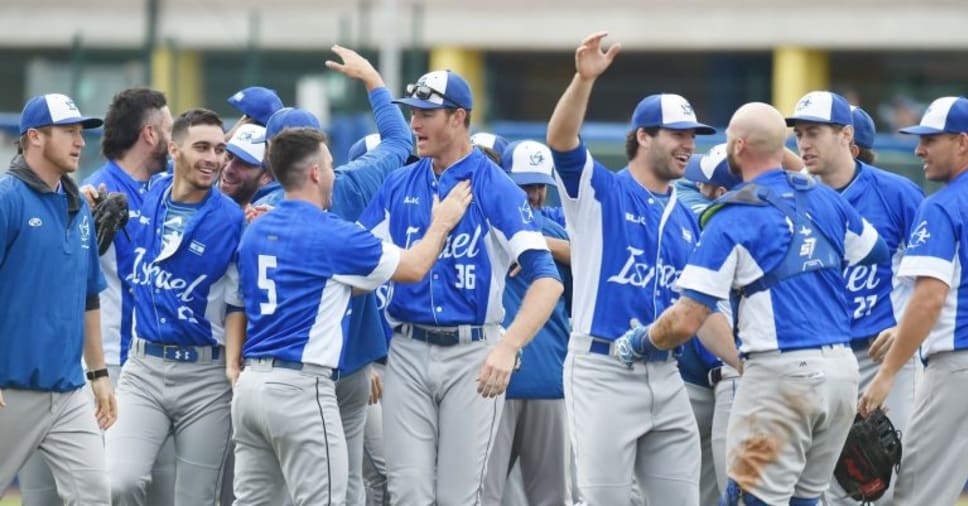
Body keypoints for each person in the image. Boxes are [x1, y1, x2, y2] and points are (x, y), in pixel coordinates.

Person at [621, 101, 888, 505]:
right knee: (806, 499)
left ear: (739, 146)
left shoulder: (733, 215)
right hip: (841, 377)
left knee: (750, 499)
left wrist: (640, 341)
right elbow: (875, 250)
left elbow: (686, 319)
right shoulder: (826, 201)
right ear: (782, 148)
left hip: (781, 377)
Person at [233, 127, 472, 504]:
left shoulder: (257, 227)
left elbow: (337, 284)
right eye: (329, 165)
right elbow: (413, 267)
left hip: (250, 388)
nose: (333, 172)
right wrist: (441, 222)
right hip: (301, 388)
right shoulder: (333, 233)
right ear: (314, 173)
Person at [357, 69, 563, 505]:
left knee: (457, 497)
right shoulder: (400, 182)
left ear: (458, 118)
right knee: (408, 490)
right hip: (406, 350)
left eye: (426, 113)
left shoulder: (495, 185)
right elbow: (354, 260)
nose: (414, 123)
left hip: (473, 351)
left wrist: (508, 346)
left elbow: (548, 281)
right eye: (412, 113)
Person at [545, 32, 714, 505]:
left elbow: (702, 311)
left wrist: (744, 366)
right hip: (603, 371)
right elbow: (561, 140)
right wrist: (583, 80)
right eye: (678, 134)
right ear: (643, 136)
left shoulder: (686, 218)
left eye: (693, 137)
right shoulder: (602, 193)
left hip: (667, 373)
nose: (688, 145)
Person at [787, 90, 924, 505]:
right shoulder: (790, 196)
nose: (804, 143)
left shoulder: (896, 194)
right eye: (798, 135)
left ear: (847, 134)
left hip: (881, 356)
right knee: (818, 485)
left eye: (814, 132)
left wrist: (906, 327)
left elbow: (939, 275)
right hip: (817, 358)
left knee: (886, 478)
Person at [105, 108, 245, 505]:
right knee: (118, 481)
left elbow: (237, 303)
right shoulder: (149, 195)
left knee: (195, 498)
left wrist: (232, 366)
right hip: (144, 367)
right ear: (173, 149)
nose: (214, 159)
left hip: (205, 374)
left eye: (220, 149)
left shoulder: (232, 219)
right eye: (201, 147)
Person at [0, 93, 116, 504]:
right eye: (68, 132)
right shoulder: (7, 198)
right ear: (34, 137)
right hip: (10, 387)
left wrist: (99, 376)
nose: (80, 141)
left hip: (68, 392)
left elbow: (89, 296)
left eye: (81, 132)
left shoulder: (78, 206)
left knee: (94, 494)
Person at [859, 95, 968, 506]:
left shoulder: (942, 205)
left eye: (930, 140)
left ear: (962, 142)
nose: (919, 149)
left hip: (957, 365)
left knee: (916, 495)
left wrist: (887, 373)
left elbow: (930, 298)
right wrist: (902, 329)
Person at [480, 140, 574, 506]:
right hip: (494, 381)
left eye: (539, 186)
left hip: (547, 379)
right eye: (524, 186)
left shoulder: (552, 228)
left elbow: (593, 254)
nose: (533, 195)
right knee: (484, 494)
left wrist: (535, 244)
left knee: (548, 497)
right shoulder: (486, 223)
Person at [673, 144, 744, 504]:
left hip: (730, 373)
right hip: (720, 373)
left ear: (719, 191)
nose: (697, 187)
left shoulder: (706, 217)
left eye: (705, 184)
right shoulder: (767, 218)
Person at [220, 123, 270, 207]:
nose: (228, 169)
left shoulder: (267, 216)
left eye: (243, 163)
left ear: (266, 177)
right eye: (229, 156)